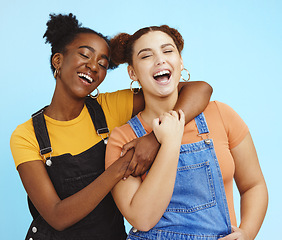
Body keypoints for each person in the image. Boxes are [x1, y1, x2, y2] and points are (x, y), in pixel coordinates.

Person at [10, 14, 212, 240]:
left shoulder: (108, 107)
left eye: (103, 64)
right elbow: (57, 216)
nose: (93, 66)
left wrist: (155, 139)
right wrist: (121, 166)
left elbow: (199, 88)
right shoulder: (26, 135)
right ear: (58, 60)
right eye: (85, 55)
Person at [105, 25, 268, 240]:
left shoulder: (221, 114)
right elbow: (142, 218)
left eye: (168, 51)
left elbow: (253, 185)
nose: (160, 60)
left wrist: (247, 232)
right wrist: (170, 141)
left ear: (180, 62)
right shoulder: (123, 139)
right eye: (146, 56)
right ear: (132, 72)